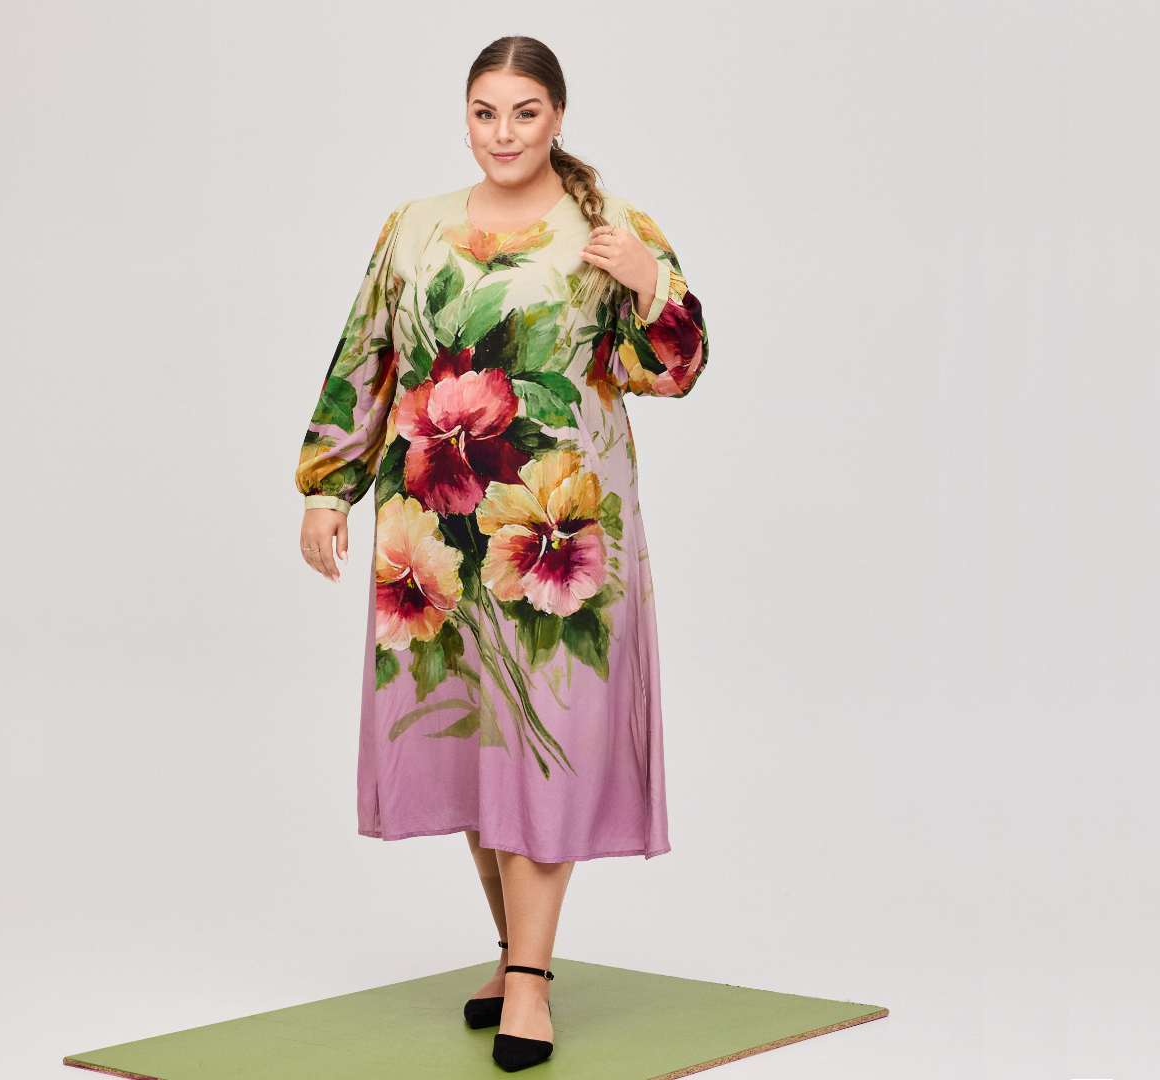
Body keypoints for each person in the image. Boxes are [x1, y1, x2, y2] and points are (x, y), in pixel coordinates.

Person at [292, 35, 709, 1073]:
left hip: (553, 525)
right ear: (466, 117)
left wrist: (650, 284)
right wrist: (329, 486)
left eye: (525, 112)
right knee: (480, 743)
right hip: (435, 523)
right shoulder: (414, 226)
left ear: (557, 117)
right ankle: (517, 955)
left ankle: (529, 980)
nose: (504, 133)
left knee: (545, 742)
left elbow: (670, 370)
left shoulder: (609, 228)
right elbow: (368, 355)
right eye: (486, 112)